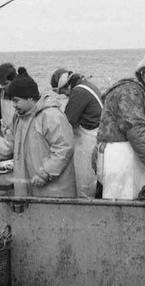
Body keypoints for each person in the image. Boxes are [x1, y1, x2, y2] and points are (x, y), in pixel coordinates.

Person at [0, 69, 76, 197]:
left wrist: (45, 173)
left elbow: (64, 149)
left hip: (54, 192)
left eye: (16, 100)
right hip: (30, 189)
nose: (13, 105)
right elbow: (9, 144)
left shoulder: (51, 116)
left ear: (30, 97)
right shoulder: (19, 117)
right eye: (12, 101)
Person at [95, 54, 145, 199]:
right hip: (119, 161)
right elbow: (135, 130)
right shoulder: (129, 91)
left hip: (139, 161)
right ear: (142, 71)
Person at [50, 69, 103, 197]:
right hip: (98, 135)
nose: (65, 95)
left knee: (86, 182)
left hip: (90, 140)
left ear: (66, 85)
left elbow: (67, 122)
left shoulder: (78, 92)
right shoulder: (86, 85)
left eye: (63, 91)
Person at [0, 63, 18, 143]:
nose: (3, 87)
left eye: (5, 83)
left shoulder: (25, 94)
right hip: (6, 141)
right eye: (0, 84)